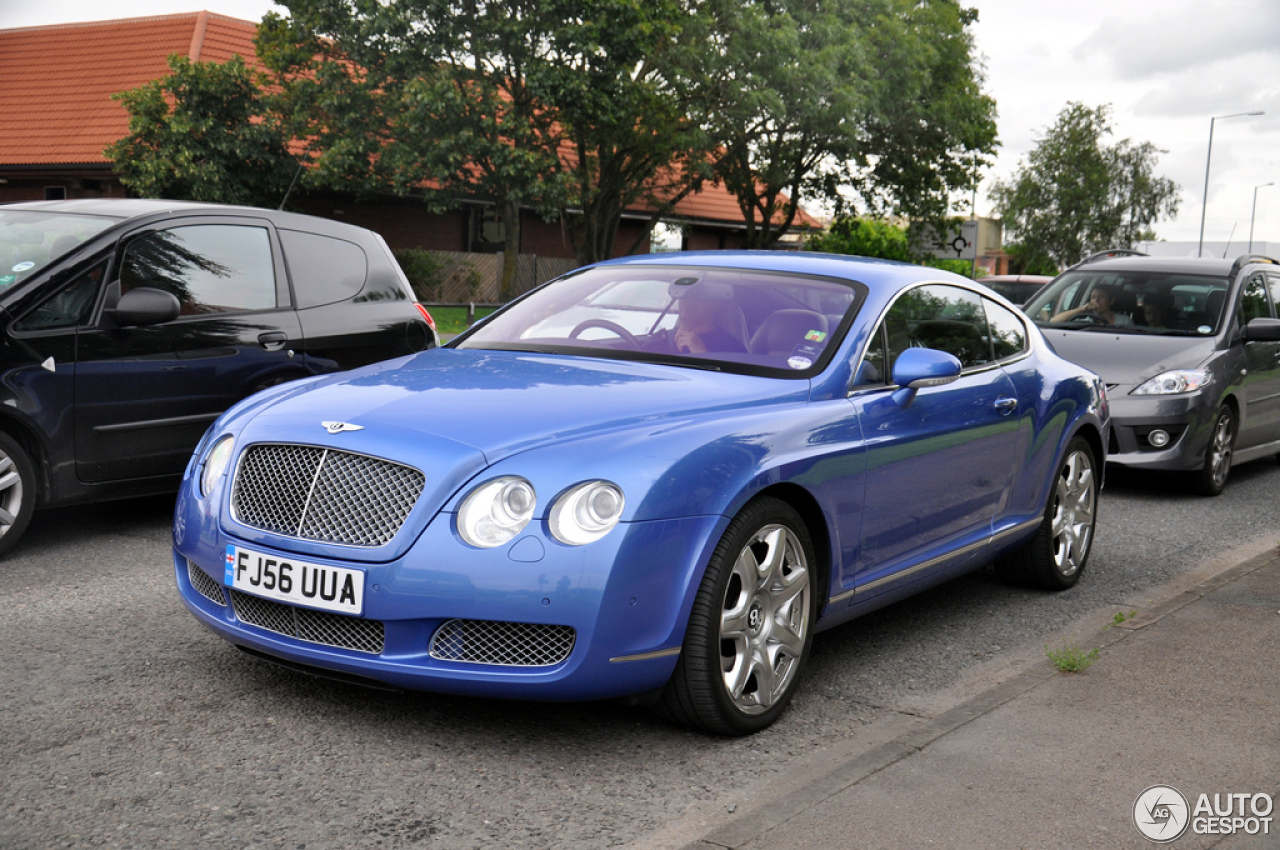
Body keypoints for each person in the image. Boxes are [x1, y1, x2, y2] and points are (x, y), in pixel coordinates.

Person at [669, 285, 748, 354]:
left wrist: (702, 353)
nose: (687, 305)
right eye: (684, 298)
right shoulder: (662, 340)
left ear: (715, 306)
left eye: (696, 299)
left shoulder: (732, 348)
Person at [1052, 284, 1133, 325]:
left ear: (1111, 301)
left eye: (1101, 296)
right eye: (1093, 297)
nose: (1096, 300)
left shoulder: (1124, 321)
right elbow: (1054, 321)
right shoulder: (1086, 322)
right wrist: (1080, 309)